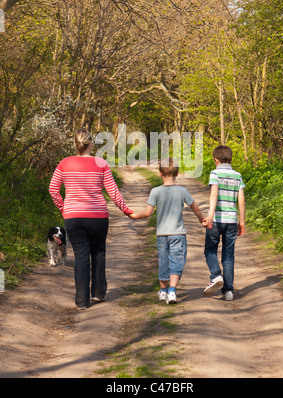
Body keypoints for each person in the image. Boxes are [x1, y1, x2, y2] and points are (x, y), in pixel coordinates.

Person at [49, 128, 133, 310]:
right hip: (97, 216)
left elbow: (53, 189)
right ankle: (98, 293)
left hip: (73, 217)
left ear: (75, 143)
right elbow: (113, 192)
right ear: (91, 144)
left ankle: (81, 301)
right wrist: (126, 210)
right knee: (98, 252)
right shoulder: (101, 163)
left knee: (80, 257)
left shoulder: (64, 163)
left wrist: (64, 209)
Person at [129, 158, 207, 304]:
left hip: (161, 234)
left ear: (160, 174)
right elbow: (194, 207)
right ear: (177, 173)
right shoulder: (182, 191)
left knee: (163, 261)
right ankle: (172, 290)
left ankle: (163, 291)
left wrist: (134, 216)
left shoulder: (155, 191)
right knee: (176, 261)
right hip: (178, 233)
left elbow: (147, 213)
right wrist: (201, 219)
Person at [203, 145, 245, 301]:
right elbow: (241, 199)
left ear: (216, 160)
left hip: (217, 220)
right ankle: (228, 291)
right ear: (230, 159)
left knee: (210, 250)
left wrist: (210, 216)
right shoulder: (237, 175)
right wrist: (242, 221)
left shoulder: (215, 173)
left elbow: (214, 195)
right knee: (228, 256)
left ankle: (215, 275)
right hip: (232, 221)